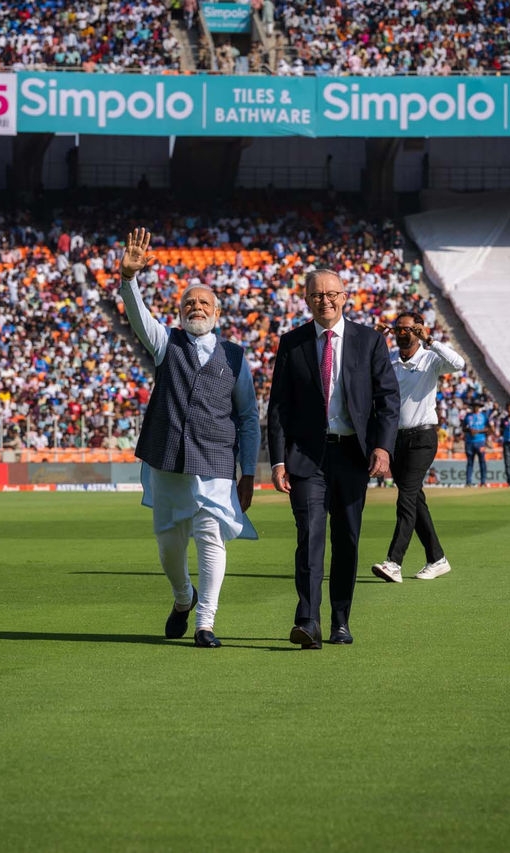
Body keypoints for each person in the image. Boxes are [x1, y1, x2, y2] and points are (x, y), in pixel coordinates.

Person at [118, 227, 259, 648]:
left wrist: (248, 471)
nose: (195, 306)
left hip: (215, 459)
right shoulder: (167, 343)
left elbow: (249, 417)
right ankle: (183, 597)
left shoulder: (235, 356)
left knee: (210, 534)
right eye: (188, 303)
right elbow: (139, 316)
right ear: (179, 312)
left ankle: (205, 622)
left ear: (217, 313)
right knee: (168, 545)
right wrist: (129, 280)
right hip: (167, 457)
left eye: (203, 302)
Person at [268, 268, 400, 649]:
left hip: (352, 455)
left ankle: (341, 620)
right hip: (306, 456)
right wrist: (278, 461)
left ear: (345, 297)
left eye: (331, 294)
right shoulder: (291, 343)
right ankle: (308, 621)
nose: (324, 301)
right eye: (316, 296)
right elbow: (278, 408)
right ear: (306, 300)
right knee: (309, 536)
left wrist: (383, 446)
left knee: (347, 539)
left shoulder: (369, 341)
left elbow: (388, 399)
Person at [370, 312, 464, 584]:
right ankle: (437, 558)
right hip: (396, 438)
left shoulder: (430, 358)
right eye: (398, 329)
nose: (402, 333)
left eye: (407, 329)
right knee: (415, 499)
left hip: (422, 437)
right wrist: (375, 340)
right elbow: (362, 370)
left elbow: (458, 364)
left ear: (419, 330)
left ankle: (394, 562)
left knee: (407, 497)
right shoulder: (389, 359)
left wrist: (431, 340)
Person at [463, 399, 490, 487]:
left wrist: (478, 431)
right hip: (469, 442)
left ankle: (483, 482)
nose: (475, 408)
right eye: (474, 406)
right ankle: (468, 482)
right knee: (470, 462)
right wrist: (469, 430)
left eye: (477, 406)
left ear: (479, 407)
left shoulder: (484, 416)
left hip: (480, 442)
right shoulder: (468, 416)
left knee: (482, 462)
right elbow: (463, 428)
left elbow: (488, 428)